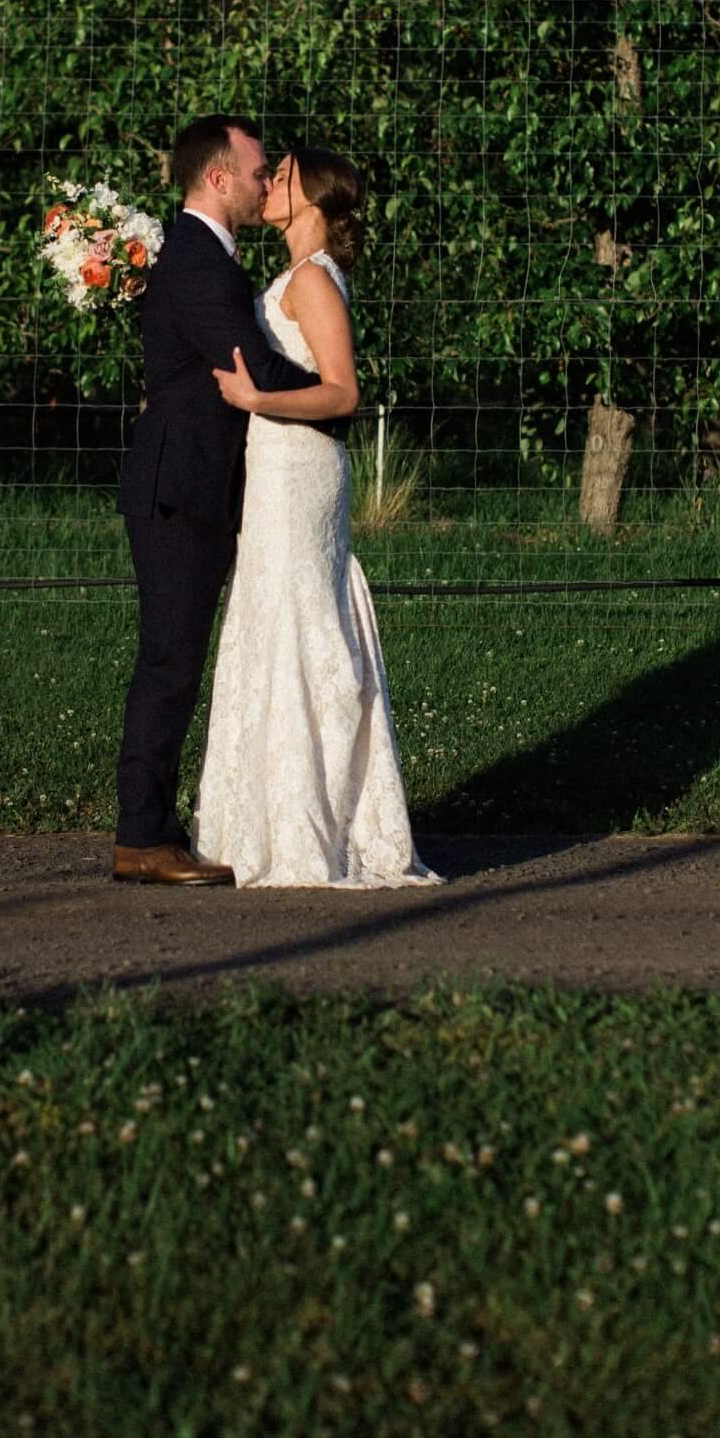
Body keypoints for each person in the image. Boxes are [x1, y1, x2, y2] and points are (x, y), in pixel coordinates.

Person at [191, 147, 442, 888]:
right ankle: (258, 818)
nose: (267, 185)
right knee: (270, 622)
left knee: (301, 624)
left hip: (301, 472)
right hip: (272, 471)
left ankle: (311, 826)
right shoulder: (288, 277)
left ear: (317, 199)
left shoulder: (312, 280)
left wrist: (258, 401)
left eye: (283, 177)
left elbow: (343, 393)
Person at [113, 114, 336, 883]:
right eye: (255, 170)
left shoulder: (205, 257)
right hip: (179, 487)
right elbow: (255, 371)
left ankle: (155, 826)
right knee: (170, 661)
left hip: (197, 482)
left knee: (177, 658)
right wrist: (335, 397)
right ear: (217, 177)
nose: (262, 181)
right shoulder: (202, 263)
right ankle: (142, 838)